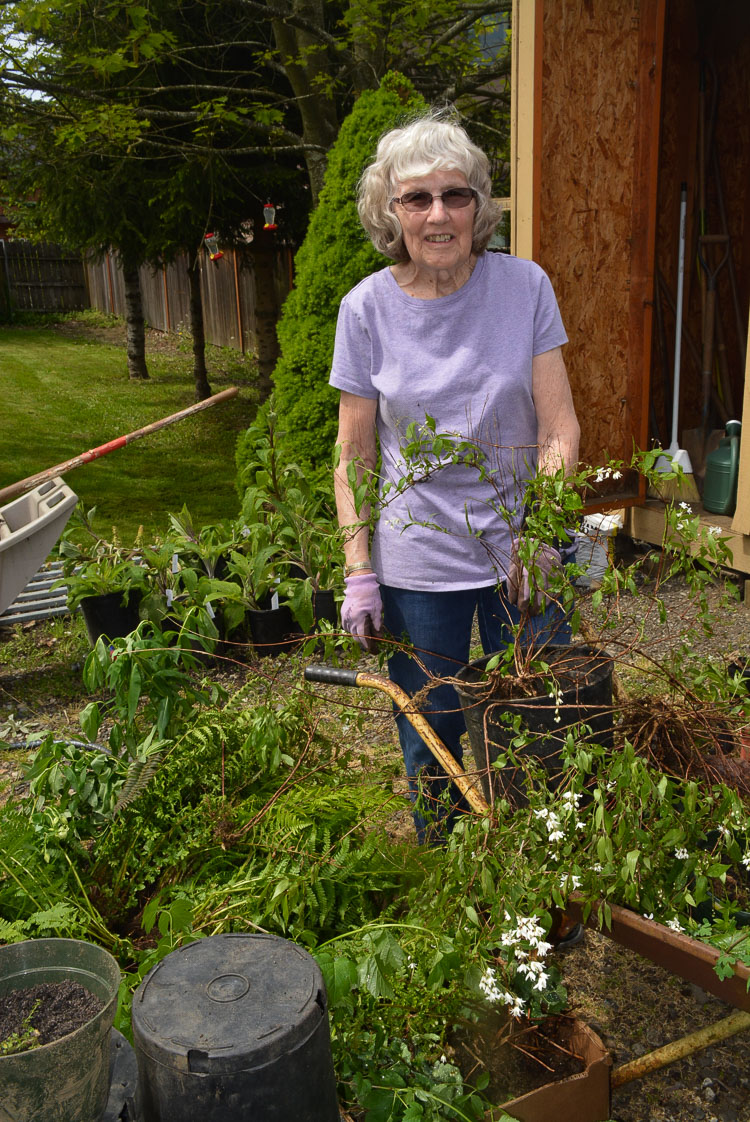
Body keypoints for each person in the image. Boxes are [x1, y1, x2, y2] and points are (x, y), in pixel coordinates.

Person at [330, 111, 580, 844]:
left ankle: (540, 869)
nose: (439, 214)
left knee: (537, 717)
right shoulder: (365, 310)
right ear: (390, 212)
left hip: (520, 548)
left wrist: (541, 534)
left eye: (456, 194)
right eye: (418, 199)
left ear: (479, 205)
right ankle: (452, 870)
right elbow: (355, 456)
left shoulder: (525, 287)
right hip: (419, 561)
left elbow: (559, 427)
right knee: (430, 727)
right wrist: (358, 571)